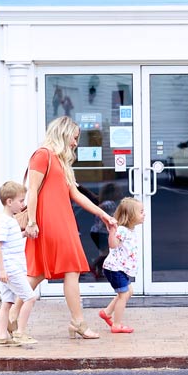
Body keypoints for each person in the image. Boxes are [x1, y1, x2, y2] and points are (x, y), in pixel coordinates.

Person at [15, 116, 117, 340]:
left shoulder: (60, 160)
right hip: (49, 221)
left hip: (63, 221)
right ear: (63, 133)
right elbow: (33, 191)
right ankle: (77, 322)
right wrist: (31, 222)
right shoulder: (42, 155)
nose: (75, 143)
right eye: (74, 137)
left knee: (42, 272)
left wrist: (103, 214)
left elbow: (76, 195)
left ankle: (13, 316)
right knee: (67, 268)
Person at [0, 180, 37, 347]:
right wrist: (1, 270)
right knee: (30, 297)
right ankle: (20, 332)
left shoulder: (10, 220)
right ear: (9, 201)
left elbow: (10, 241)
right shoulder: (4, 221)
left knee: (7, 302)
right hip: (11, 269)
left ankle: (2, 335)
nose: (23, 204)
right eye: (21, 201)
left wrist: (24, 234)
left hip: (11, 269)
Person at [99, 197, 144, 334]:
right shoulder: (122, 230)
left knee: (128, 292)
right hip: (114, 269)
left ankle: (107, 312)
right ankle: (117, 325)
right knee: (123, 295)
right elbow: (113, 245)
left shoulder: (130, 230)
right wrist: (112, 232)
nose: (144, 214)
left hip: (120, 268)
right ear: (130, 215)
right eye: (141, 212)